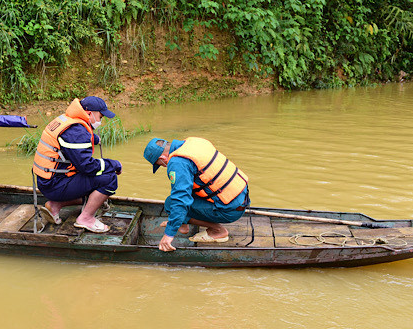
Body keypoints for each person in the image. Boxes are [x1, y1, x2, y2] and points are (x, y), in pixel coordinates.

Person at [32, 96, 122, 233]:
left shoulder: (68, 119)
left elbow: (73, 143)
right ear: (89, 113)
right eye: (100, 117)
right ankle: (85, 218)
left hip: (48, 181)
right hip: (54, 185)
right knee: (109, 179)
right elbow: (88, 166)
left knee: (95, 177)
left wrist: (92, 138)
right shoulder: (77, 131)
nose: (100, 121)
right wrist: (114, 164)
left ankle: (55, 205)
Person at [143, 137, 250, 251]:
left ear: (162, 158)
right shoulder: (193, 142)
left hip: (229, 210)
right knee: (179, 199)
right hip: (241, 197)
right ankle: (182, 223)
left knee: (171, 204)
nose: (164, 166)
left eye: (161, 164)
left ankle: (218, 230)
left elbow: (180, 200)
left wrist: (168, 235)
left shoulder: (178, 163)